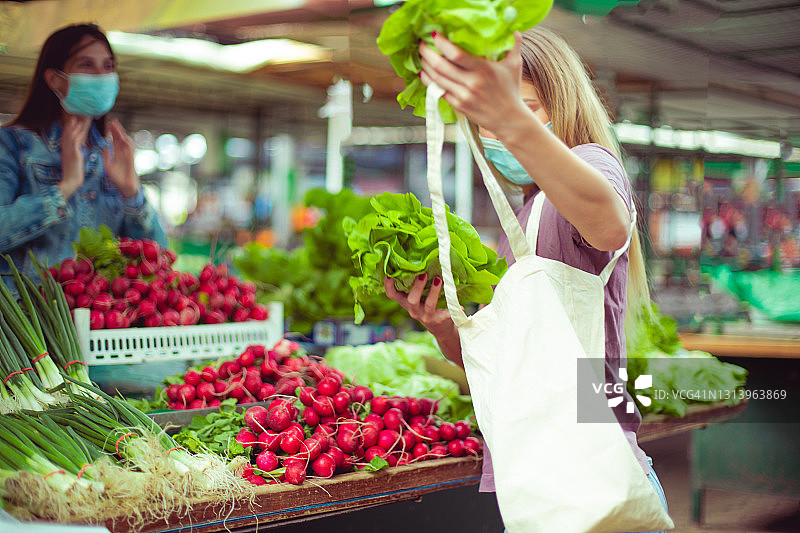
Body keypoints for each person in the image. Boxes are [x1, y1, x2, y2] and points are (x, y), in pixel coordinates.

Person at [383, 27, 668, 531]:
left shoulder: (590, 165)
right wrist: (447, 328)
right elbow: (509, 366)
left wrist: (509, 120)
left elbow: (608, 221)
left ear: (563, 104)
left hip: (590, 483)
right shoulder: (527, 215)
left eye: (524, 107)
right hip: (541, 487)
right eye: (484, 120)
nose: (494, 132)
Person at [0, 23, 166, 285]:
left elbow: (157, 258)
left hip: (98, 317)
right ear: (54, 79)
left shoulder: (110, 157)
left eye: (108, 66)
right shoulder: (12, 144)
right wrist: (64, 188)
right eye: (86, 65)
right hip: (29, 319)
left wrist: (132, 195)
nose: (101, 76)